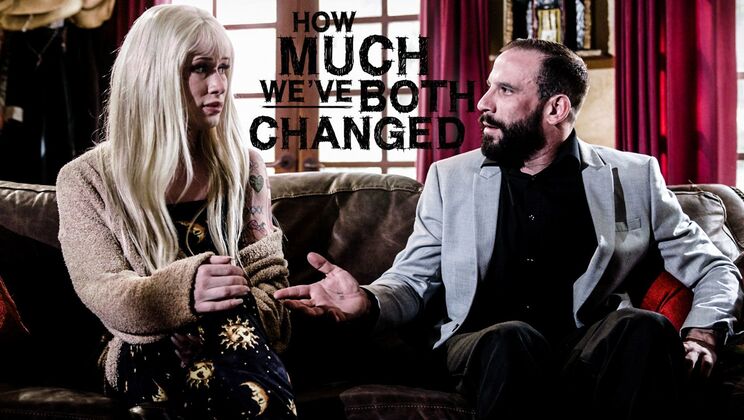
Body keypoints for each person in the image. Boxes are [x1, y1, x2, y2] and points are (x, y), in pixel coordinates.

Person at [274, 38, 743, 419]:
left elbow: (715, 268)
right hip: (483, 345)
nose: (482, 103)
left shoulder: (633, 177)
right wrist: (368, 300)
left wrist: (702, 334)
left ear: (555, 108)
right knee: (512, 337)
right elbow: (414, 279)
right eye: (488, 87)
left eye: (504, 90)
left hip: (585, 346)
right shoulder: (450, 179)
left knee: (643, 326)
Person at [56, 5, 296, 419]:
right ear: (154, 74)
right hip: (140, 345)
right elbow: (104, 290)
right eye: (201, 68)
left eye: (224, 68)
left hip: (239, 336)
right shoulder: (85, 178)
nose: (219, 85)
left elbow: (271, 286)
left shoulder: (246, 167)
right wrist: (184, 295)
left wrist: (217, 319)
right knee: (176, 362)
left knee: (229, 339)